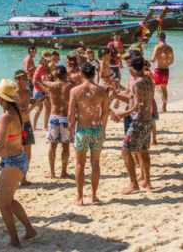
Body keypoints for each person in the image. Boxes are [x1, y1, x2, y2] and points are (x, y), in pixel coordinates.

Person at [0, 80, 38, 247]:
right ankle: (30, 231)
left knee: (2, 204)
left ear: (1, 98)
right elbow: (8, 136)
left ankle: (14, 241)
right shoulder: (16, 112)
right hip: (19, 159)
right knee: (9, 201)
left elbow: (1, 146)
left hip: (13, 162)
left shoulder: (6, 117)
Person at [68, 62, 111, 206]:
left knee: (80, 164)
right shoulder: (102, 90)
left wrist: (71, 130)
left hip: (82, 130)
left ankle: (80, 198)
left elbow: (70, 114)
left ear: (81, 73)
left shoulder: (75, 91)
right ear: (94, 74)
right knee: (95, 163)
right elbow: (105, 112)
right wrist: (103, 130)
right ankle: (93, 195)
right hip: (97, 130)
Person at [112, 54, 153, 194]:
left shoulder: (138, 82)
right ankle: (147, 181)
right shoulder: (148, 79)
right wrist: (116, 95)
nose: (128, 70)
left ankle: (133, 183)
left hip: (139, 122)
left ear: (133, 68)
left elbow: (138, 106)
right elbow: (134, 102)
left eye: (129, 67)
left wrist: (121, 114)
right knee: (143, 149)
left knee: (125, 151)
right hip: (148, 120)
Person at [34, 65, 74, 179]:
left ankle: (52, 173)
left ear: (56, 75)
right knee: (65, 146)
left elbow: (38, 81)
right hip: (66, 117)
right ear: (65, 74)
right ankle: (63, 172)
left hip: (54, 117)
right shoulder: (71, 85)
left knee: (53, 146)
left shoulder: (51, 85)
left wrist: (47, 77)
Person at [12, 70, 40, 186]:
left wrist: (32, 104)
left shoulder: (29, 92)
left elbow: (34, 103)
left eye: (22, 79)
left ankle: (23, 176)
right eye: (17, 79)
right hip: (16, 124)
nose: (20, 82)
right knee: (15, 150)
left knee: (27, 150)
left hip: (26, 123)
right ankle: (13, 176)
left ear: (26, 80)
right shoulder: (12, 93)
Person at [150, 31, 174, 112]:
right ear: (165, 38)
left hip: (158, 70)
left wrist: (146, 61)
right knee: (164, 88)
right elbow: (171, 60)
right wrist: (165, 63)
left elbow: (153, 59)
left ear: (158, 38)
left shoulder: (157, 47)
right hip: (165, 70)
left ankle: (152, 107)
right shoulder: (170, 48)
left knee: (154, 87)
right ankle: (164, 107)